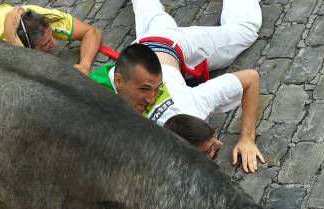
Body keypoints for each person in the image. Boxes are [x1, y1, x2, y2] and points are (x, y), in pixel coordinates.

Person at [90, 0, 265, 173]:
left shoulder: (194, 104)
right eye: (208, 150)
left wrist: (248, 139)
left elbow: (250, 78)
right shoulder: (189, 108)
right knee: (156, 17)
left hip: (159, 47)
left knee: (244, 30)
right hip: (149, 50)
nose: (220, 143)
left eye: (211, 147)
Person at [0, 0, 102, 74]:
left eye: (51, 35)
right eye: (46, 44)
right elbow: (31, 75)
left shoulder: (35, 15)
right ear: (28, 48)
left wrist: (85, 65)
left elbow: (91, 32)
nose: (54, 43)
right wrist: (11, 37)